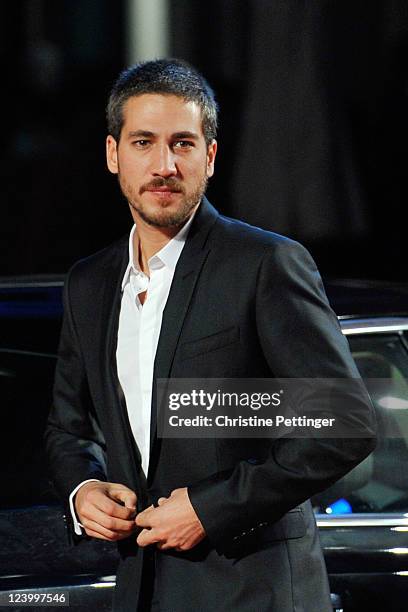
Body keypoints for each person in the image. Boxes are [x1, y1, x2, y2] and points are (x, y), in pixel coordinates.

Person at [45, 59, 376, 612]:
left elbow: (343, 426)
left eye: (182, 143)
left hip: (254, 591)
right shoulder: (89, 283)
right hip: (139, 592)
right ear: (113, 154)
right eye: (144, 142)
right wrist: (83, 491)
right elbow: (68, 426)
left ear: (211, 156)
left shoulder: (266, 264)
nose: (164, 164)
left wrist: (213, 508)